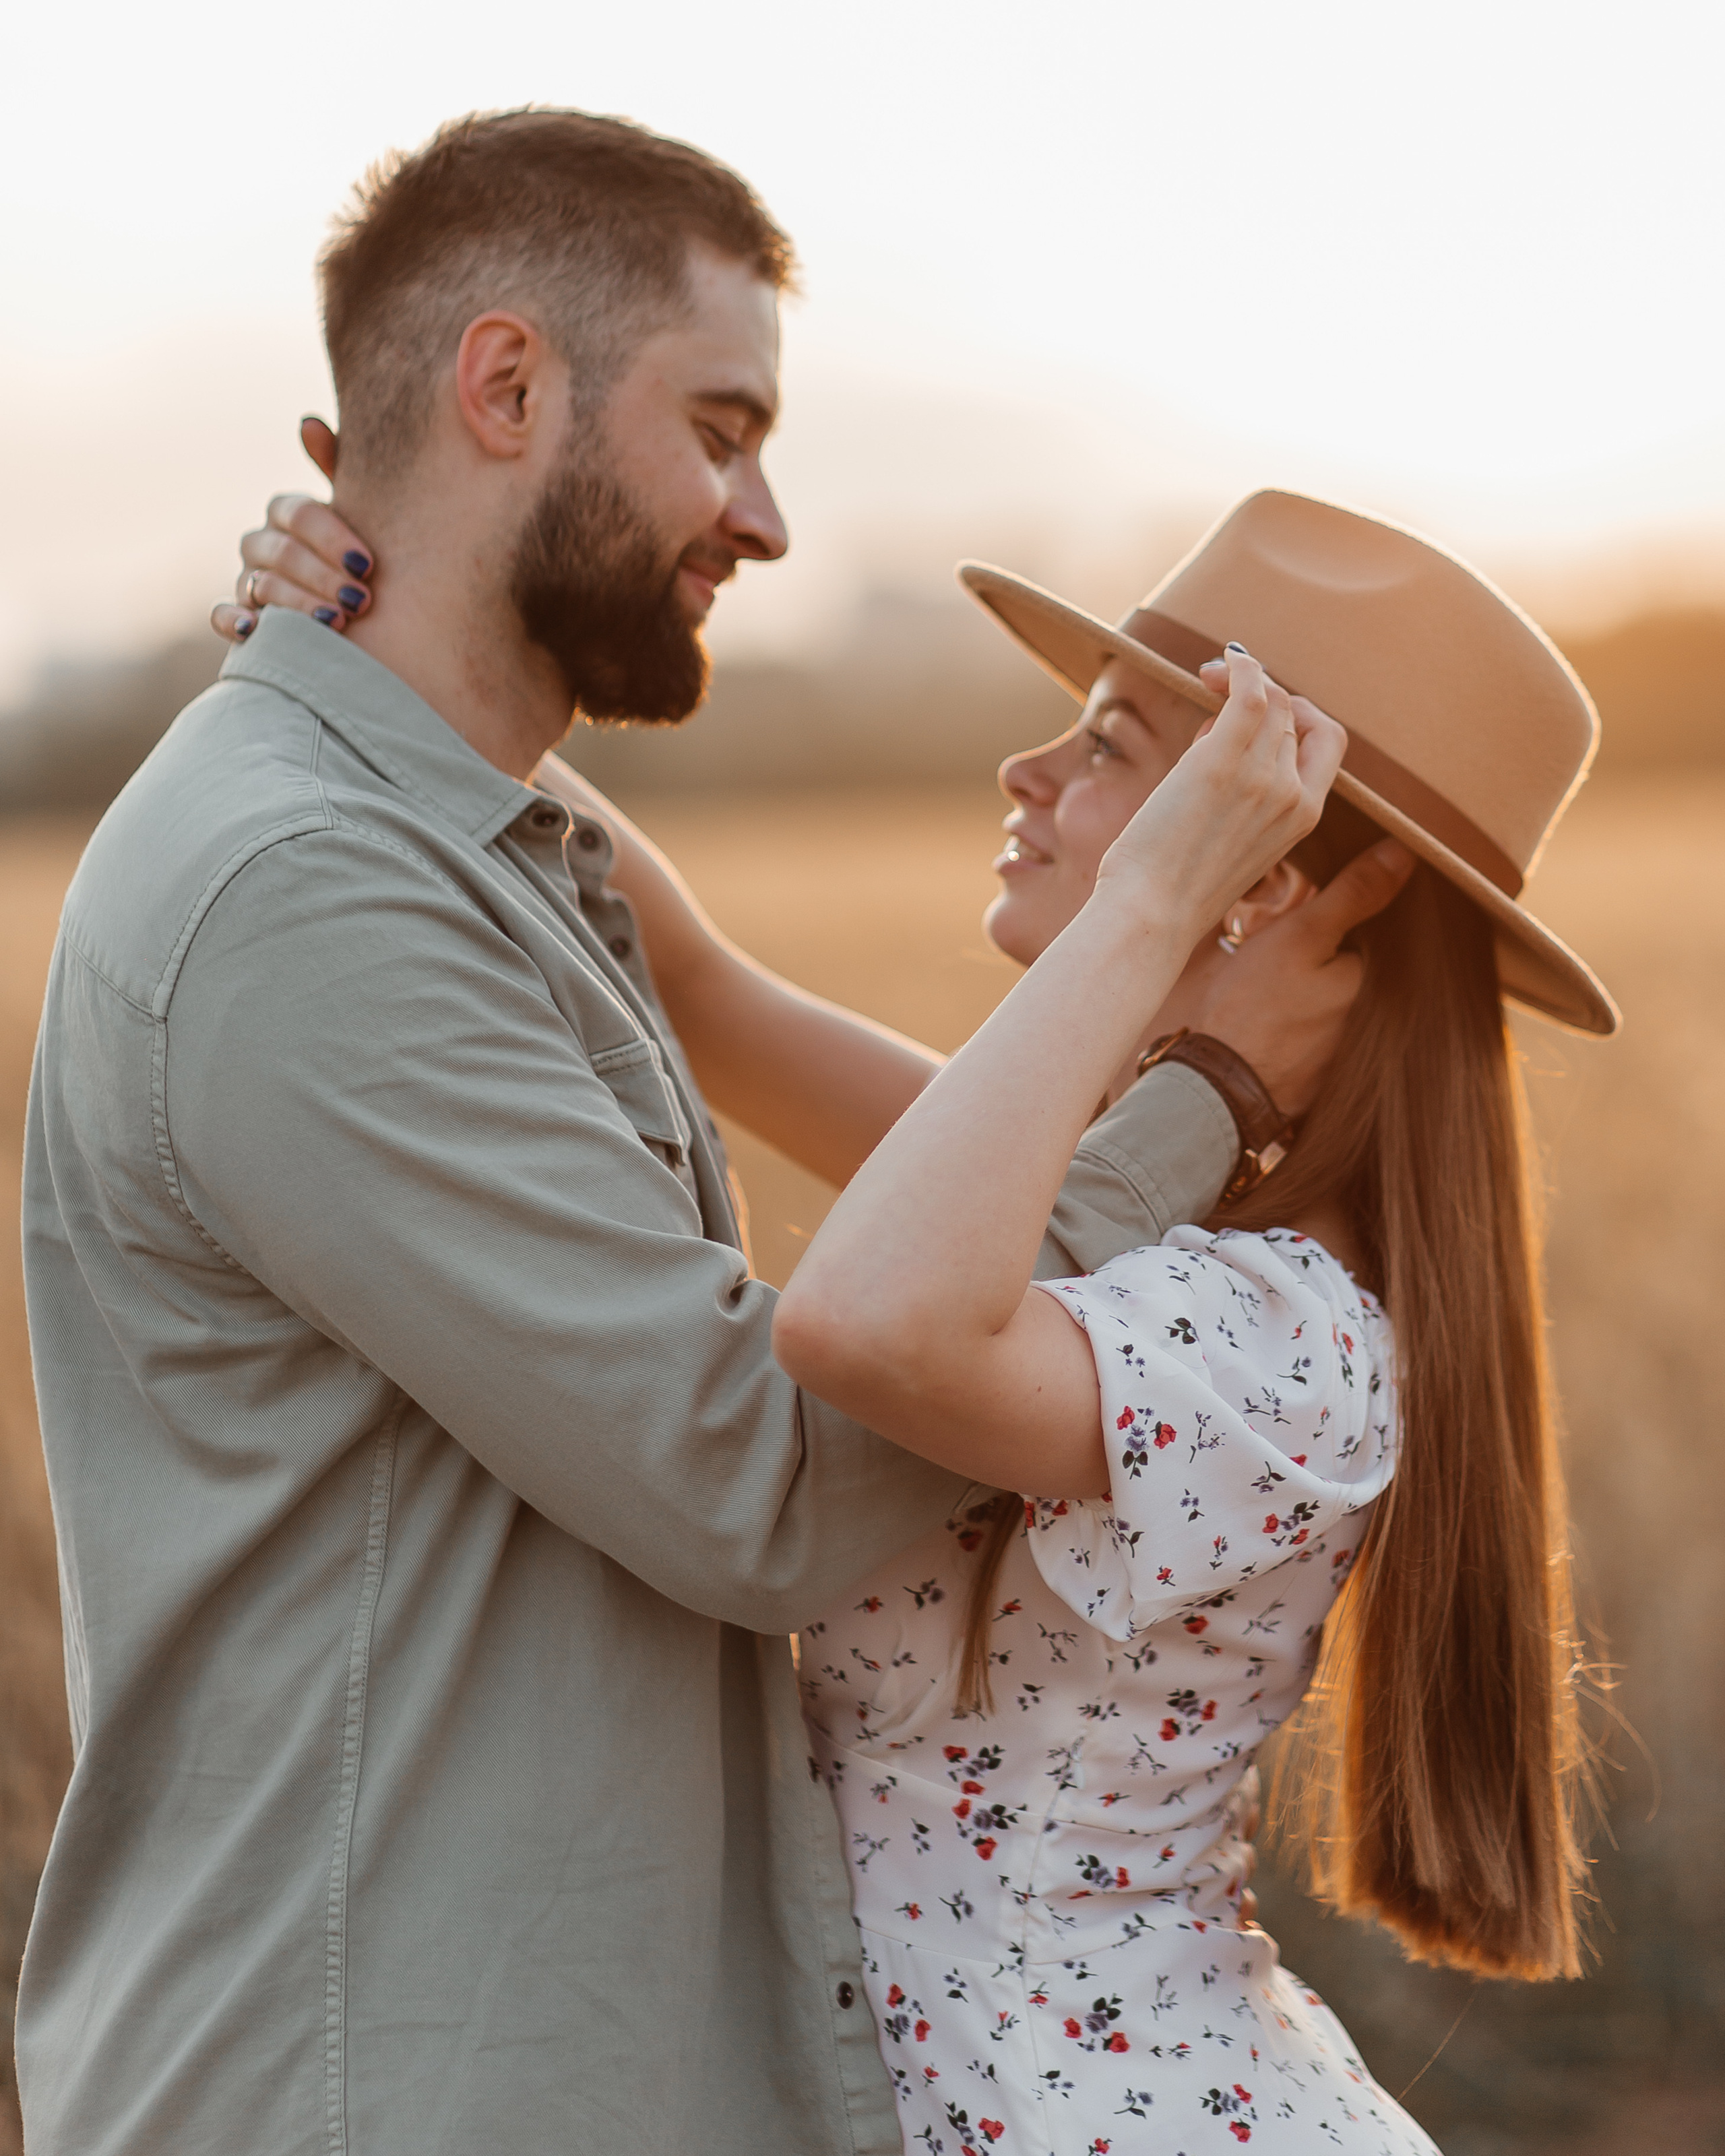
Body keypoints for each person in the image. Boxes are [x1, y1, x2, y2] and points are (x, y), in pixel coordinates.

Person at [18, 115, 1391, 2156]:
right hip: (379, 2085)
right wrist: (1193, 1058)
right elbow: (757, 1480)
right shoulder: (306, 890)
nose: (762, 520)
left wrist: (332, 618)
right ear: (506, 387)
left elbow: (743, 1016)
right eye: (723, 430)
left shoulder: (462, 838)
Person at [770, 491, 1617, 2154]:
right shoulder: (1129, 1211)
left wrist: (1146, 905)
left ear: (1253, 871)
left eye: (1103, 745)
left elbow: (866, 1322)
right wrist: (350, 626)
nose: (1023, 772)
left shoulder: (1280, 1341)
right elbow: (697, 978)